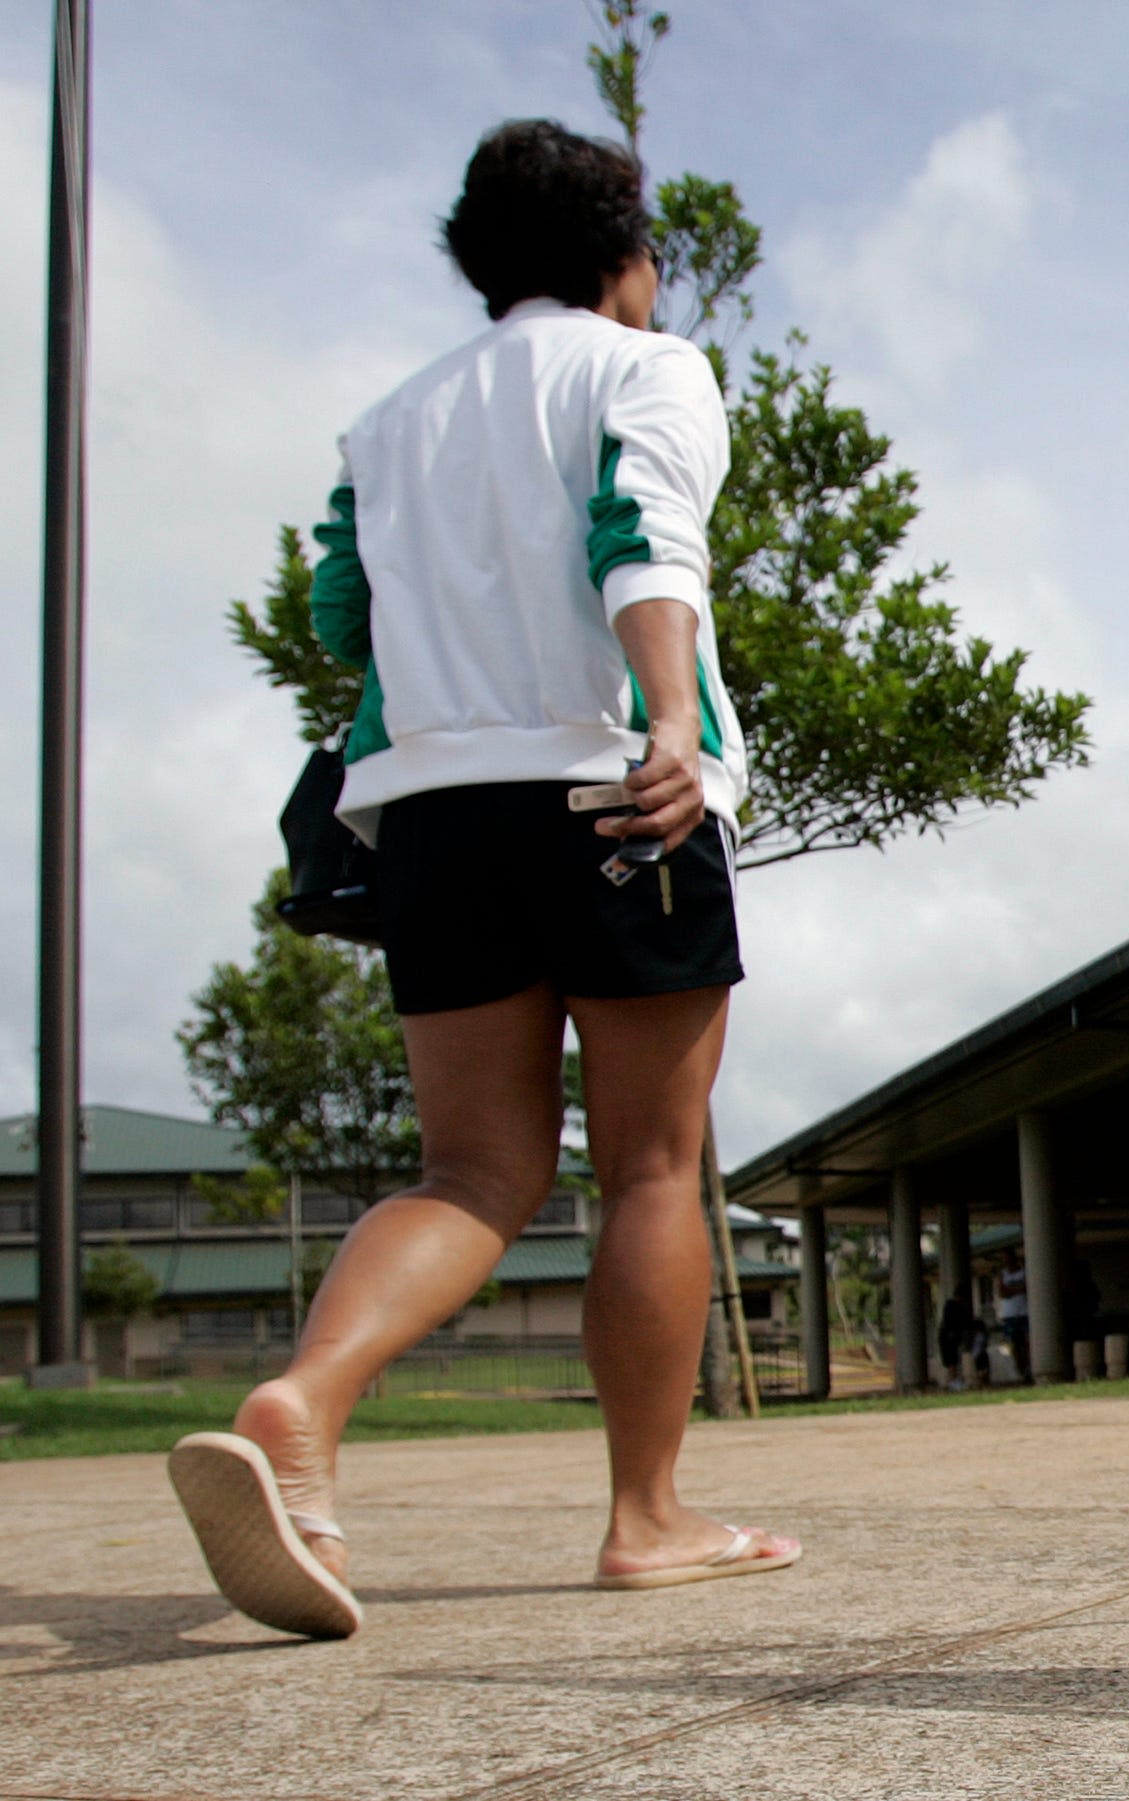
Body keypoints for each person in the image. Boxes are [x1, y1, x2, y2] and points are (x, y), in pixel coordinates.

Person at [160, 121, 792, 1640]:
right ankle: (646, 1518)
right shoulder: (651, 369)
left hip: (431, 816)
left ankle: (302, 1407)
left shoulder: (386, 424)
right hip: (609, 785)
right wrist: (658, 720)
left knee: (473, 1175)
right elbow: (648, 540)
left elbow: (339, 612)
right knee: (649, 1163)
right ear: (625, 257)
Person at [996, 1252, 1034, 1382]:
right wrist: (1018, 1289)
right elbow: (1002, 1292)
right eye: (1005, 1260)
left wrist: (1011, 1290)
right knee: (1014, 1345)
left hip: (1025, 1313)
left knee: (1028, 1342)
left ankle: (1030, 1367)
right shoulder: (1003, 1274)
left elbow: (1028, 1288)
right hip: (1010, 1315)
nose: (1007, 1262)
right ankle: (1021, 1371)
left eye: (1009, 1259)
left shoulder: (1024, 1271)